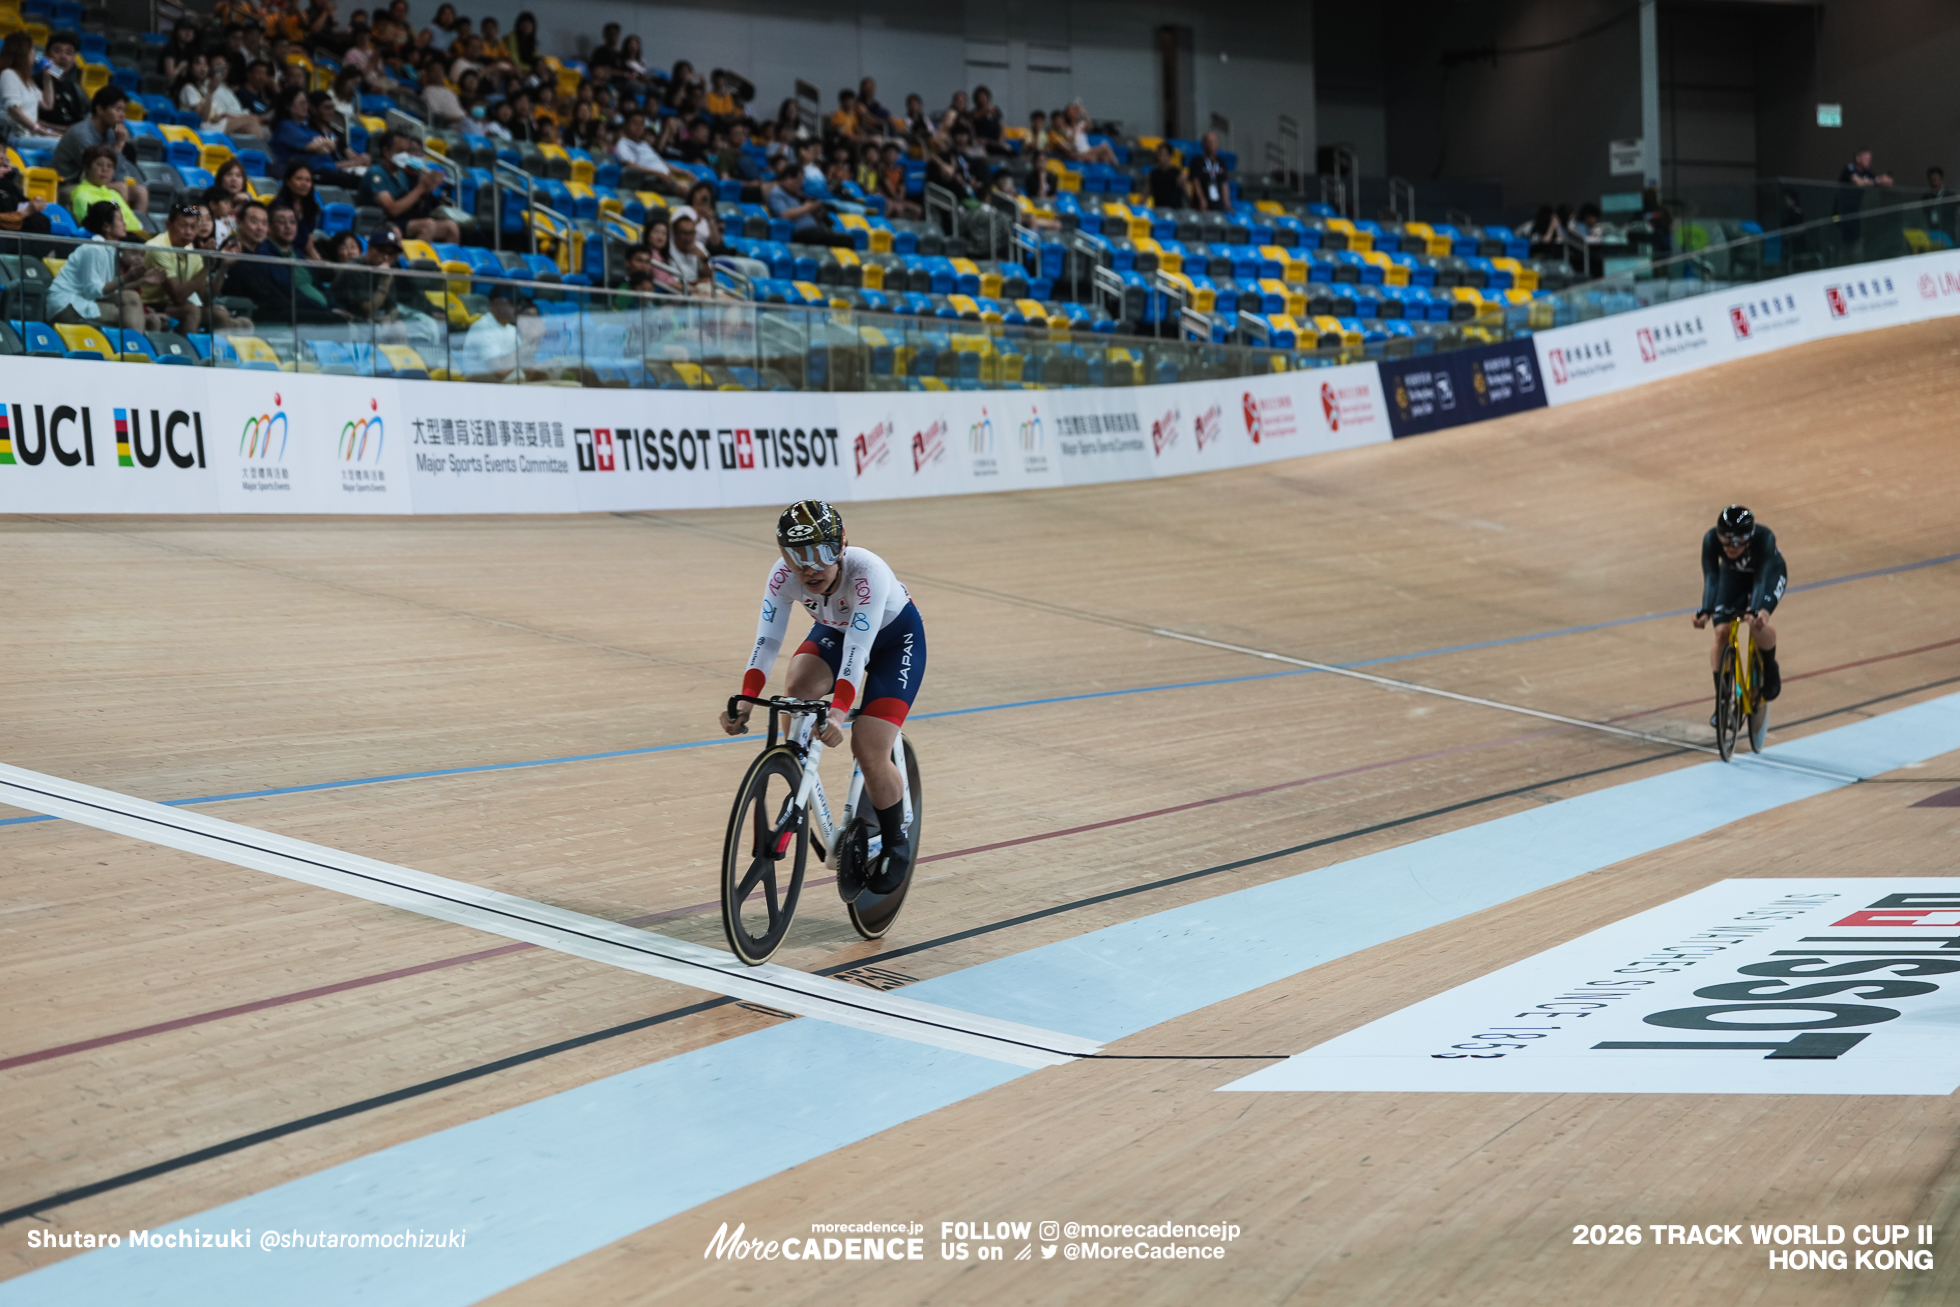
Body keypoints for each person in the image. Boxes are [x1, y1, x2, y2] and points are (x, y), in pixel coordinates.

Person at [720, 500, 927, 898]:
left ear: (842, 547)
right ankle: (797, 767)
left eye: (821, 553)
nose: (809, 567)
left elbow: (858, 653)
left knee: (868, 747)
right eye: (797, 555)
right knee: (795, 691)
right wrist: (746, 698)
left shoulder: (867, 572)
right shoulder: (784, 577)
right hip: (836, 631)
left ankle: (896, 838)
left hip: (892, 642)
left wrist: (836, 715)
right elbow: (767, 642)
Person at [1693, 505, 1786, 709]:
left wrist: (1756, 611)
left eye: (1737, 541)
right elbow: (1711, 577)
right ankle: (1722, 701)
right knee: (1721, 633)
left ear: (1749, 537)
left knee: (1757, 623)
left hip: (1768, 575)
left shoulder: (1764, 538)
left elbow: (1761, 580)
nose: (1730, 547)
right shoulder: (1710, 539)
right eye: (1725, 540)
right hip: (1733, 576)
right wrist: (1706, 610)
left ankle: (1770, 668)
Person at [50, 199, 159, 329]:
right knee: (129, 314)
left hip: (84, 300)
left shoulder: (111, 250)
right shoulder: (94, 249)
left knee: (132, 298)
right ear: (107, 227)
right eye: (120, 220)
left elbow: (112, 289)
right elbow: (93, 291)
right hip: (67, 306)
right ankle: (133, 347)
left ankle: (135, 345)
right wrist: (126, 278)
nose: (125, 224)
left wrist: (141, 280)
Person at [53, 89, 148, 215]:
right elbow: (95, 173)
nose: (122, 115)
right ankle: (117, 228)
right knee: (120, 189)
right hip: (70, 186)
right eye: (118, 109)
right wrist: (119, 145)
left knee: (140, 192)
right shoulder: (81, 134)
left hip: (96, 182)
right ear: (100, 110)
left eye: (124, 110)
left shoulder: (111, 133)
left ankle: (136, 231)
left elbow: (117, 174)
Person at [361, 128, 460, 243]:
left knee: (451, 227)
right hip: (379, 223)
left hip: (401, 221)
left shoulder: (401, 174)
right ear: (386, 152)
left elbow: (410, 208)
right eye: (400, 151)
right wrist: (421, 187)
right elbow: (392, 210)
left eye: (406, 151)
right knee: (428, 225)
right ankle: (415, 260)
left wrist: (426, 191)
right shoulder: (376, 173)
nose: (405, 155)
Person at [144, 198, 221, 332]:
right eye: (183, 226)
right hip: (149, 304)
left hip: (171, 305)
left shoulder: (190, 249)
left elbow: (206, 297)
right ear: (168, 225)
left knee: (220, 314)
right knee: (191, 310)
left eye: (193, 227)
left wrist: (223, 266)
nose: (189, 232)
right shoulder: (158, 248)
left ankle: (218, 352)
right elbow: (178, 298)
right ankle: (186, 352)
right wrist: (207, 267)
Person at [765, 163, 854, 248]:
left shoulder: (796, 195)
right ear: (788, 178)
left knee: (847, 237)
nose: (799, 186)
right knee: (845, 240)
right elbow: (783, 214)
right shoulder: (777, 193)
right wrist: (807, 208)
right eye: (798, 182)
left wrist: (816, 213)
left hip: (814, 231)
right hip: (799, 233)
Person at [68, 144, 141, 230]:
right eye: (99, 164)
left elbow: (134, 222)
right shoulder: (82, 196)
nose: (105, 169)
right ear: (87, 168)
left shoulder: (113, 196)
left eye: (109, 166)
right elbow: (90, 227)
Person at [0, 32, 49, 141]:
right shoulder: (8, 74)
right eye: (31, 49)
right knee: (57, 145)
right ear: (22, 53)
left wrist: (47, 78)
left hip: (30, 135)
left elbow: (47, 104)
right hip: (14, 136)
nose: (35, 53)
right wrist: (42, 132)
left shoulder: (27, 80)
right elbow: (15, 112)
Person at [274, 158, 327, 258]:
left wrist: (321, 264)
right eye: (299, 179)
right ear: (288, 182)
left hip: (300, 256)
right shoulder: (278, 206)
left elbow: (309, 246)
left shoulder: (310, 208)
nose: (304, 184)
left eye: (308, 180)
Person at [40, 31, 90, 130]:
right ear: (47, 55)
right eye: (58, 51)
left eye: (69, 53)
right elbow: (30, 119)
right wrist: (61, 129)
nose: (63, 57)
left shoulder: (76, 90)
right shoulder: (33, 82)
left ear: (73, 59)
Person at [1187, 130, 1229, 211]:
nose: (1211, 144)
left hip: (1217, 203)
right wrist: (1202, 200)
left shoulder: (1221, 162)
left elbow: (1224, 183)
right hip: (1202, 204)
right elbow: (1196, 182)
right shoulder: (1197, 161)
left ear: (1218, 144)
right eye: (1209, 142)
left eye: (1214, 142)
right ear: (1203, 145)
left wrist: (1227, 203)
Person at [1146, 141, 1187, 209]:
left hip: (1175, 212)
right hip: (1159, 212)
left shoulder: (1179, 174)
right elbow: (1144, 195)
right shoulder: (1152, 175)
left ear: (1169, 156)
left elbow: (1188, 195)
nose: (1159, 157)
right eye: (1158, 154)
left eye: (1162, 154)